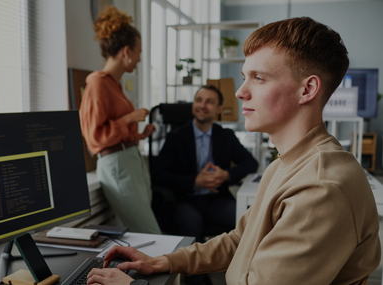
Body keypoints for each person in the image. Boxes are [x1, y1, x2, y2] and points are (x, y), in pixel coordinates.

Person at [87, 17, 381, 285]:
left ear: (307, 90)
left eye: (259, 78)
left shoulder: (322, 189)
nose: (240, 92)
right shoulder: (284, 164)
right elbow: (241, 239)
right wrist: (165, 261)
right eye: (244, 76)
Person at [79, 6, 161, 234]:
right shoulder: (97, 83)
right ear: (126, 52)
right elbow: (95, 137)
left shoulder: (114, 84)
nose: (139, 59)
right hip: (117, 165)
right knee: (150, 233)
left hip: (128, 160)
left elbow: (115, 131)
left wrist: (139, 134)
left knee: (144, 231)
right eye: (139, 52)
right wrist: (130, 118)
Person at [152, 85, 258, 243]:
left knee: (249, 218)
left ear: (219, 109)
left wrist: (225, 175)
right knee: (191, 223)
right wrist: (194, 182)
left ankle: (240, 264)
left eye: (209, 102)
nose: (202, 105)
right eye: (198, 100)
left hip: (217, 199)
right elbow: (158, 175)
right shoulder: (176, 137)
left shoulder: (225, 136)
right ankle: (191, 266)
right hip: (186, 200)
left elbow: (251, 163)